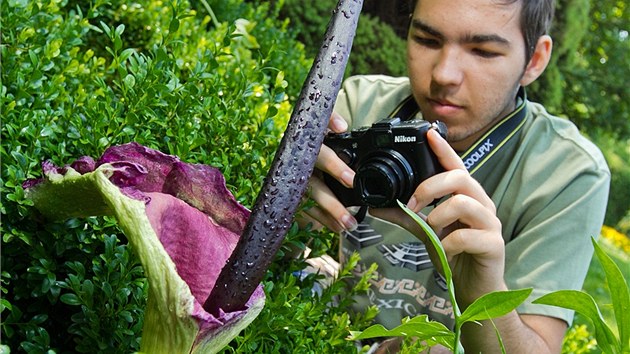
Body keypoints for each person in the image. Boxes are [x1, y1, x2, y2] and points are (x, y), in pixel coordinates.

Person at [302, 0, 611, 352]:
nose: (443, 74)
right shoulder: (361, 103)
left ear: (535, 60)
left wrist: (481, 291)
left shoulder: (566, 172)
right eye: (427, 40)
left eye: (483, 51)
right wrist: (288, 206)